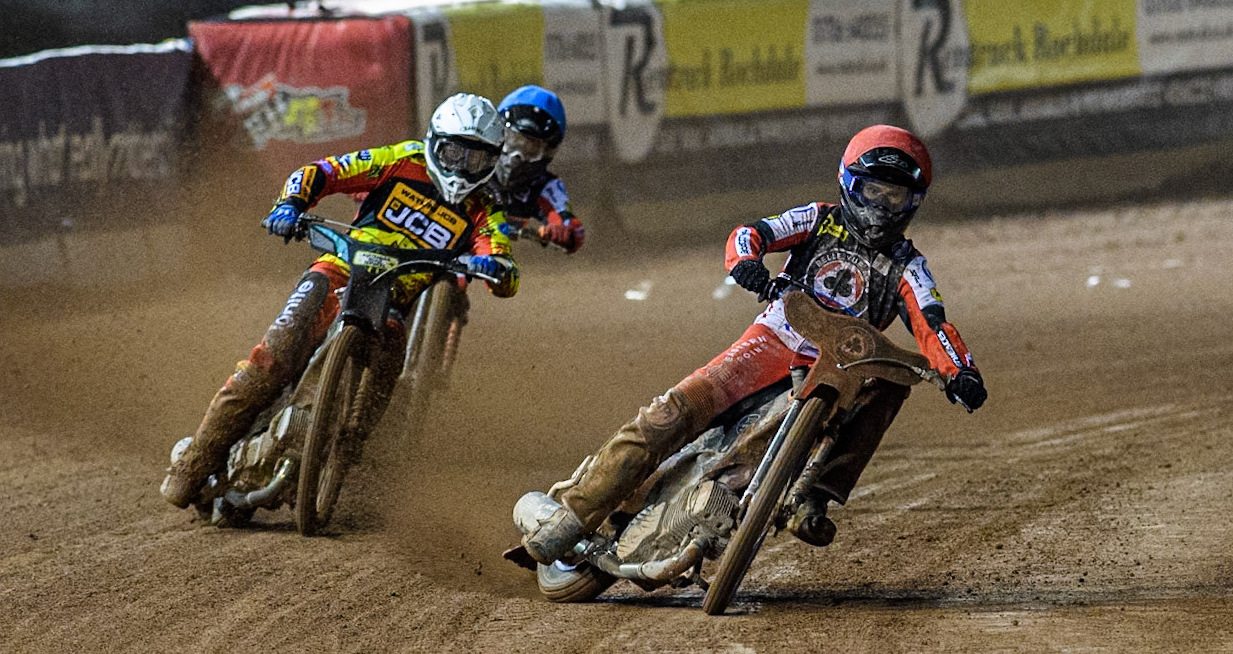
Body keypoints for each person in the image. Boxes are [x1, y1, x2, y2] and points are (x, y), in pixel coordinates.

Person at [516, 124, 986, 563]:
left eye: (894, 196)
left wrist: (960, 371)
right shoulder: (818, 219)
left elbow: (933, 323)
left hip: (840, 371)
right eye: (873, 192)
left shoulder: (909, 266)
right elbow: (753, 233)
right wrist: (747, 263)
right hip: (772, 341)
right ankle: (571, 516)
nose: (881, 207)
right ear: (849, 184)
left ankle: (811, 496)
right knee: (670, 415)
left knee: (890, 385)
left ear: (913, 202)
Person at [160, 92, 521, 510]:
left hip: (393, 300)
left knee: (388, 367)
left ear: (492, 161)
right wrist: (290, 205)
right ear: (434, 143)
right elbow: (323, 171)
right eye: (453, 153)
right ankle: (193, 462)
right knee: (273, 356)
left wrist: (497, 268)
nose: (461, 168)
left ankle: (345, 453)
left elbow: (501, 258)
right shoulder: (400, 159)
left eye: (475, 159)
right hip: (338, 271)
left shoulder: (485, 207)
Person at [492, 86, 585, 253]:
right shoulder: (473, 157)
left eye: (531, 148)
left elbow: (573, 229)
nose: (517, 155)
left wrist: (564, 232)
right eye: (513, 140)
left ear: (547, 152)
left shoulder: (543, 186)